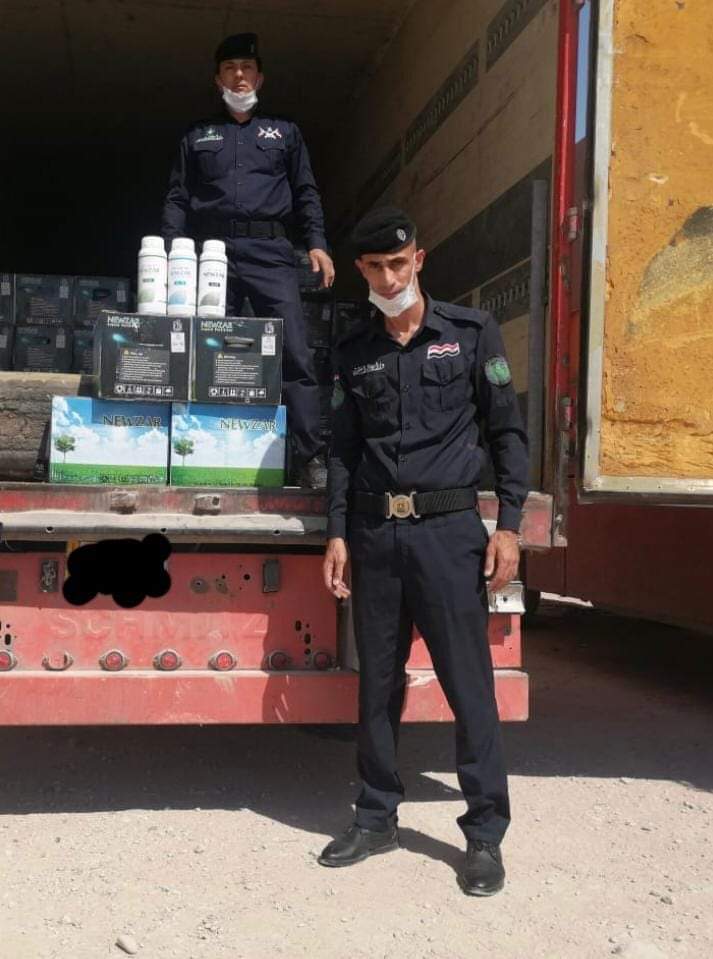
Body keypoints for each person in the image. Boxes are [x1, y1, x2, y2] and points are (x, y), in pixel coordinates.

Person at [319, 206, 528, 896]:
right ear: (361, 271)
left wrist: (508, 525)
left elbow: (506, 432)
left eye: (398, 264)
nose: (388, 278)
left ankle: (484, 835)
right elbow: (343, 451)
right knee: (377, 685)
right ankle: (376, 816)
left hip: (448, 534)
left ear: (419, 259)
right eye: (375, 267)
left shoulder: (469, 333)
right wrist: (337, 531)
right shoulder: (353, 350)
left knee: (468, 686)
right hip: (376, 537)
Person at [162, 32, 333, 488]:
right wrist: (171, 251)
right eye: (229, 68)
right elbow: (178, 197)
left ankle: (311, 459)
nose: (239, 75)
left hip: (271, 253)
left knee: (295, 353)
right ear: (217, 79)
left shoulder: (285, 132)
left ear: (260, 77)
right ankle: (196, 452)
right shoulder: (197, 135)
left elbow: (305, 191)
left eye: (247, 67)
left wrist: (317, 243)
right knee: (204, 351)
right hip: (212, 256)